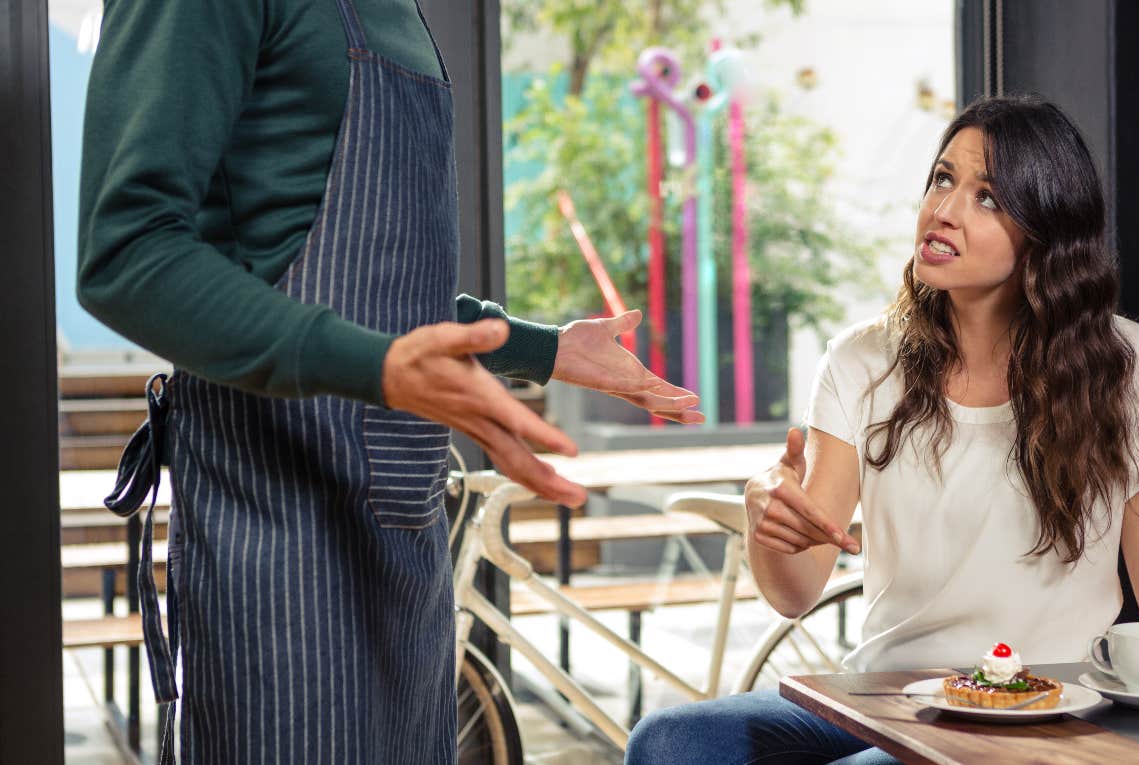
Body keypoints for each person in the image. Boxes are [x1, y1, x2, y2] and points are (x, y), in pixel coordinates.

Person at [78, 0, 699, 761]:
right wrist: (376, 367)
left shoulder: (401, 12)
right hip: (278, 549)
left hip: (405, 541)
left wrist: (542, 349)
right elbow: (127, 252)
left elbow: (364, 286)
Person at [625, 95, 1139, 765]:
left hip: (1051, 705)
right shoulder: (862, 360)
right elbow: (794, 590)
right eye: (943, 179)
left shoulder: (1123, 365)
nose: (943, 209)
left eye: (988, 198)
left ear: (1046, 232)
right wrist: (767, 518)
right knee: (671, 741)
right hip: (888, 696)